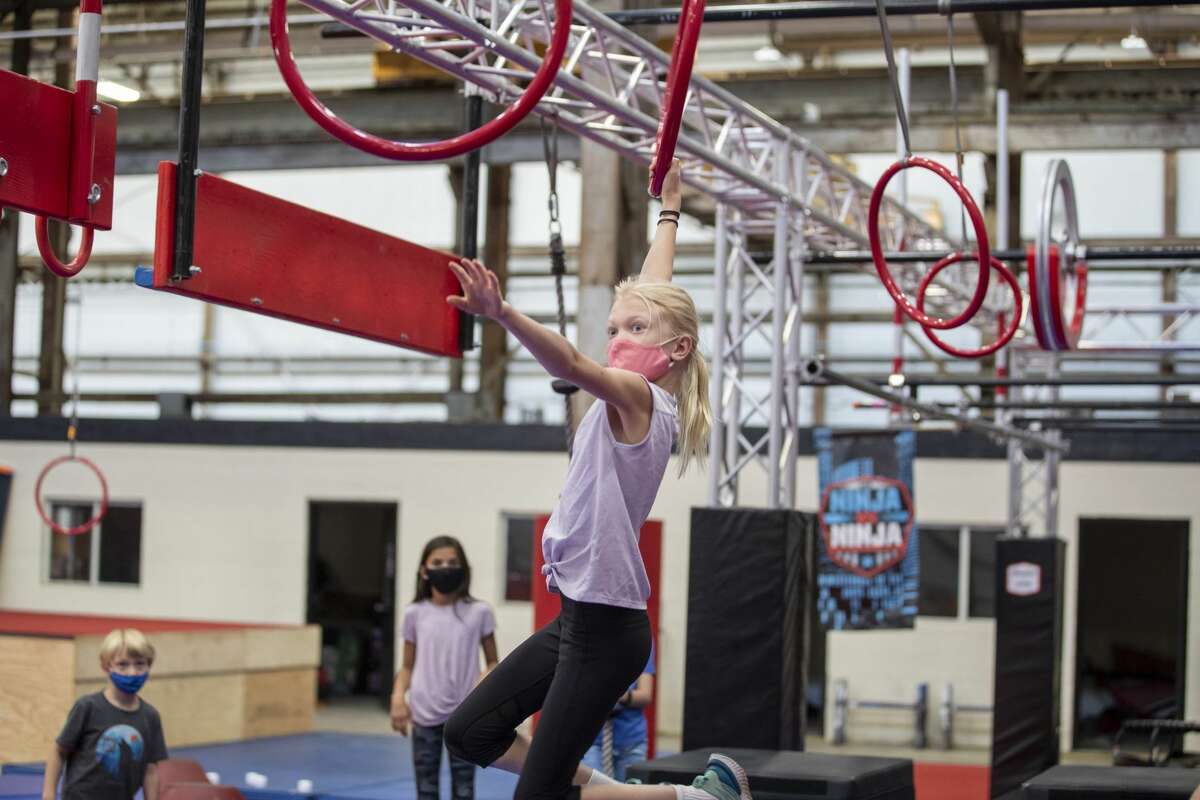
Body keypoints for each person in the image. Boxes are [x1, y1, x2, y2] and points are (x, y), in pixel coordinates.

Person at [442, 159, 754, 800]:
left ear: (677, 352)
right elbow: (653, 293)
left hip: (607, 633)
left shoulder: (638, 397)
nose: (618, 339)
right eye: (613, 329)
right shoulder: (645, 382)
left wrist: (502, 314)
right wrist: (668, 212)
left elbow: (573, 361)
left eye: (633, 331)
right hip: (577, 621)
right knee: (469, 733)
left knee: (539, 792)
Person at [392, 535, 499, 800]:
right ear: (424, 571)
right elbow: (407, 665)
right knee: (426, 789)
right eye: (437, 562)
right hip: (424, 712)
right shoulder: (414, 613)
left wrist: (484, 681)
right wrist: (397, 697)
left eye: (452, 562)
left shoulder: (479, 612)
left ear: (463, 568)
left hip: (465, 713)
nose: (445, 567)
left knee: (464, 790)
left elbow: (493, 662)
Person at [43, 628, 168, 800]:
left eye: (140, 664)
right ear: (106, 666)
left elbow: (150, 770)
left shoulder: (150, 716)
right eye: (123, 664)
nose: (132, 672)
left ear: (149, 666)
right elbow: (59, 751)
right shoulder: (88, 707)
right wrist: (48, 795)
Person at [581, 649, 655, 782]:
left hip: (631, 739)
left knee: (631, 792)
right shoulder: (587, 639)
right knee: (595, 791)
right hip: (591, 739)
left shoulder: (640, 639)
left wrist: (620, 695)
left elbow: (646, 695)